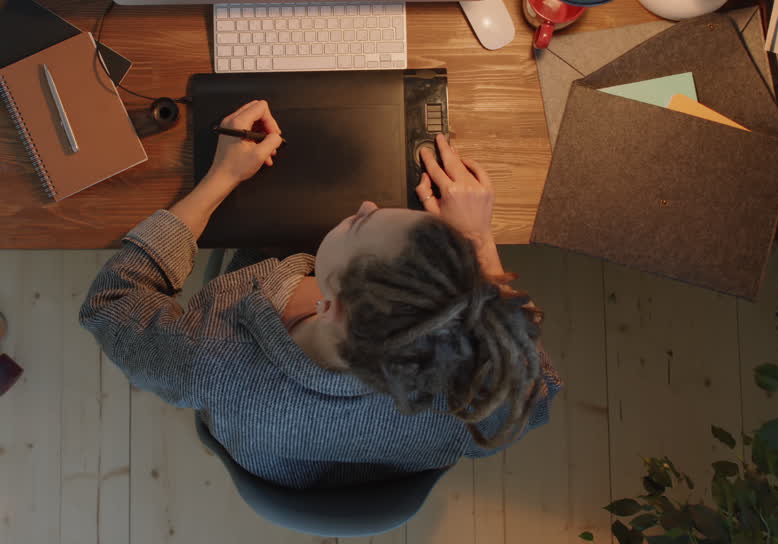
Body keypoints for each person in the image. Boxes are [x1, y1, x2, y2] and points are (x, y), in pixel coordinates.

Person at [81, 100, 560, 488]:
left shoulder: (211, 357)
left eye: (361, 224)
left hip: (269, 450)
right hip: (382, 459)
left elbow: (111, 306)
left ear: (324, 306)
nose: (369, 203)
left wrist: (219, 178)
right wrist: (476, 241)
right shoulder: (472, 394)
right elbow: (535, 394)